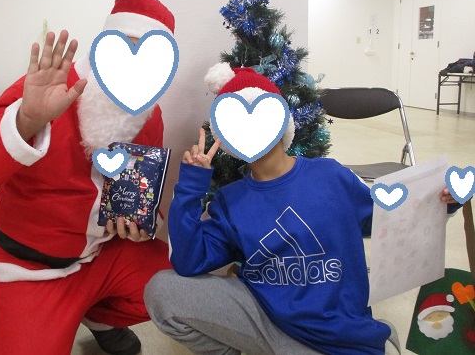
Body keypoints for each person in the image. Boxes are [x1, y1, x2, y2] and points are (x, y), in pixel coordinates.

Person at [144, 64, 461, 355]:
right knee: (162, 290)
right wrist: (191, 185)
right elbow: (188, 262)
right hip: (270, 326)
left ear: (281, 120)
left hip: (345, 339)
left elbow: (391, 216)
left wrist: (444, 197)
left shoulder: (330, 176)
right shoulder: (231, 200)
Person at [0, 0, 174, 355]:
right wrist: (26, 120)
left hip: (105, 258)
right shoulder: (44, 90)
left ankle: (98, 315)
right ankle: (68, 313)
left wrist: (141, 225)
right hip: (32, 267)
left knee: (182, 288)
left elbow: (141, 195)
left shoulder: (150, 113)